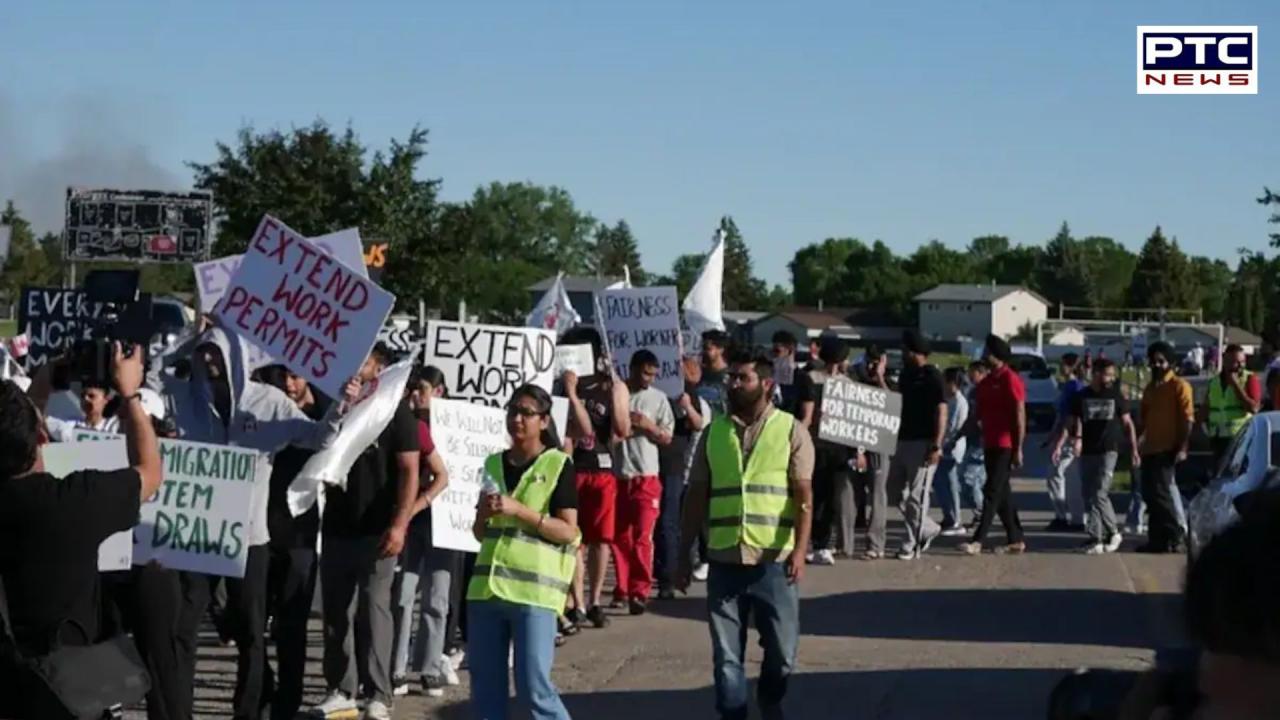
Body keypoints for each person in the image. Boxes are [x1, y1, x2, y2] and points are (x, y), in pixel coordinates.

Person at [151, 325, 354, 720]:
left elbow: (318, 438)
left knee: (252, 635)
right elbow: (153, 373)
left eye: (217, 354)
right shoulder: (188, 396)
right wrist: (196, 337)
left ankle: (246, 714)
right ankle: (179, 713)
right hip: (200, 538)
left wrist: (340, 405)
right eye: (204, 354)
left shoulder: (268, 403)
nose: (209, 361)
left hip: (250, 539)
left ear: (236, 360)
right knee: (182, 630)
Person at [0, 343, 163, 719]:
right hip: (64, 694)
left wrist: (42, 382)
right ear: (42, 437)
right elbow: (150, 471)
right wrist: (131, 395)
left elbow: (18, 429)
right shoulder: (74, 500)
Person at [677, 351, 814, 720]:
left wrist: (800, 551)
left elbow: (803, 496)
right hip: (724, 561)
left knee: (783, 655)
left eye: (743, 378)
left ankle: (770, 697)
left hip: (775, 563)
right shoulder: (714, 432)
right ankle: (733, 713)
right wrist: (683, 553)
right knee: (727, 658)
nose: (734, 384)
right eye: (732, 378)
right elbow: (696, 498)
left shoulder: (791, 430)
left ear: (767, 384)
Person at [312, 345, 420, 720]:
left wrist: (400, 524)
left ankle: (378, 693)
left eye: (365, 362)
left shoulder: (395, 412)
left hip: (378, 529)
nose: (356, 370)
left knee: (374, 611)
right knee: (336, 612)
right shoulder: (338, 403)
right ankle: (341, 688)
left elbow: (410, 470)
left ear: (381, 368)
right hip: (338, 525)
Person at [467, 384, 580, 720]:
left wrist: (521, 511)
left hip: (534, 595)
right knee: (486, 693)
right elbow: (478, 533)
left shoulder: (559, 465)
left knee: (534, 690)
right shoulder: (492, 462)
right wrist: (484, 515)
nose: (517, 419)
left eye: (526, 413)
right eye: (513, 411)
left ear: (544, 421)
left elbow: (568, 531)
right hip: (486, 592)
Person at [258, 366, 327, 720]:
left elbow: (333, 435)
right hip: (257, 530)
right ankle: (262, 687)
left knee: (291, 626)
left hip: (298, 536)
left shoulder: (320, 416)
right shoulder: (263, 410)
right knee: (248, 621)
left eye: (297, 376)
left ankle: (287, 700)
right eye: (283, 375)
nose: (289, 383)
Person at [561, 326, 630, 630]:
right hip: (572, 468)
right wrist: (570, 392)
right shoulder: (561, 384)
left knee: (601, 539)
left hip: (602, 470)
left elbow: (622, 429)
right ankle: (576, 601)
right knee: (574, 539)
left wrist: (616, 393)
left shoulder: (611, 385)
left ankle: (595, 601)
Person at [390, 365, 454, 698]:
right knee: (403, 594)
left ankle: (429, 668)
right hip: (412, 523)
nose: (416, 394)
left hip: (444, 522)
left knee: (436, 597)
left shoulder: (455, 424)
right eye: (413, 388)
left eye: (424, 388)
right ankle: (396, 668)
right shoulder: (408, 425)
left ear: (440, 392)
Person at [1051, 359, 1138, 555]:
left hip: (1109, 449)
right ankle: (1096, 538)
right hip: (1089, 450)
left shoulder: (1116, 395)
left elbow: (1128, 424)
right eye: (1107, 374)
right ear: (1096, 374)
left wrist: (1133, 450)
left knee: (1099, 493)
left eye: (1112, 374)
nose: (1110, 378)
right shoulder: (1081, 396)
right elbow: (1070, 422)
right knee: (1090, 494)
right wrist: (1060, 444)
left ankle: (1114, 531)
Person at [611, 350, 675, 615]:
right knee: (619, 538)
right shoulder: (618, 393)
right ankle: (622, 588)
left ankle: (640, 591)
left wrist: (649, 427)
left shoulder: (658, 399)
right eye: (645, 372)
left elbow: (668, 437)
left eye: (653, 374)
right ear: (633, 368)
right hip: (619, 475)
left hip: (646, 476)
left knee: (642, 537)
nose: (648, 378)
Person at [959, 335, 1027, 556]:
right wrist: (956, 436)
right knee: (1002, 493)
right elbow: (976, 415)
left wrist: (1018, 447)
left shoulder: (1010, 379)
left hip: (1005, 444)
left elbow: (1019, 415)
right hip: (988, 442)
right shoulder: (986, 383)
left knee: (991, 491)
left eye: (987, 351)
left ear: (996, 356)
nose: (983, 354)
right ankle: (1016, 539)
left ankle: (978, 540)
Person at [883, 331, 946, 560]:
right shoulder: (906, 376)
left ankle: (911, 544)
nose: (902, 353)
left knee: (917, 497)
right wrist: (881, 379)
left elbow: (941, 410)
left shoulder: (932, 377)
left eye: (905, 350)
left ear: (915, 352)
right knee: (893, 492)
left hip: (924, 443)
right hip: (902, 440)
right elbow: (896, 401)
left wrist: (937, 444)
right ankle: (927, 528)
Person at [654, 360, 709, 600]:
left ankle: (668, 576)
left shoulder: (685, 391)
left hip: (673, 465)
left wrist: (686, 406)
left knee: (669, 522)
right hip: (646, 462)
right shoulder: (648, 389)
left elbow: (697, 424)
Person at [1135, 342, 1194, 554]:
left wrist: (1183, 446)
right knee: (1149, 495)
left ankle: (1176, 534)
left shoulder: (1179, 386)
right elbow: (1143, 419)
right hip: (1150, 448)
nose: (1157, 365)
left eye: (1161, 361)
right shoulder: (1151, 389)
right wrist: (1135, 443)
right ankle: (1157, 540)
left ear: (1171, 363)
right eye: (1154, 361)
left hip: (1168, 448)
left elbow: (1188, 419)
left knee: (1162, 494)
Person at [803, 337, 852, 566]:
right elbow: (806, 415)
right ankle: (810, 541)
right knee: (813, 495)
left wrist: (857, 450)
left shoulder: (847, 383)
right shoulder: (812, 379)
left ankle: (823, 543)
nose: (835, 366)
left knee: (832, 498)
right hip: (816, 444)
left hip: (838, 446)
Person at [851, 346, 891, 559]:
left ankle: (875, 544)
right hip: (855, 440)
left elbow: (891, 405)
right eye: (869, 361)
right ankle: (845, 540)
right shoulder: (855, 377)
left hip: (878, 443)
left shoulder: (888, 381)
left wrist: (880, 377)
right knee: (852, 492)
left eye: (876, 362)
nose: (871, 366)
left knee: (877, 494)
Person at [1200, 343, 1261, 468]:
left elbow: (1254, 408)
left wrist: (1236, 385)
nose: (1240, 366)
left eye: (1242, 362)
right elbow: (1205, 409)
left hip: (1239, 437)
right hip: (1218, 437)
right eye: (1235, 362)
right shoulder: (1214, 382)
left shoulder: (1249, 378)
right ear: (1225, 360)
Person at [1043, 353, 1085, 532]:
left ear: (1070, 366)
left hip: (1069, 437)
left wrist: (1066, 440)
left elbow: (1072, 417)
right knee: (1058, 476)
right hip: (1063, 435)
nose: (1061, 368)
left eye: (1063, 365)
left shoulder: (1074, 387)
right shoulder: (1067, 386)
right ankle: (1067, 515)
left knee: (1058, 475)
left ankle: (1067, 516)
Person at [934, 367, 971, 535]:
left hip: (951, 448)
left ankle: (955, 520)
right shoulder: (947, 399)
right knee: (940, 484)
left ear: (952, 383)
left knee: (950, 484)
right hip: (942, 446)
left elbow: (955, 427)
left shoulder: (960, 402)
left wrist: (944, 443)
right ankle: (948, 516)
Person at [954, 362, 989, 531]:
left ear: (979, 372)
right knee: (975, 482)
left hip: (984, 443)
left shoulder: (989, 389)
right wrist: (960, 434)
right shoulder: (974, 391)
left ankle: (983, 514)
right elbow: (972, 416)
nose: (969, 376)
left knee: (968, 480)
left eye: (971, 372)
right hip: (974, 441)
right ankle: (981, 515)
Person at [42, 379, 119, 441]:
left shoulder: (115, 425)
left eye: (91, 396)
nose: (85, 399)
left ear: (105, 400)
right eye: (82, 396)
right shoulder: (71, 426)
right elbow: (44, 420)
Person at [698, 329, 733, 418]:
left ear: (720, 349)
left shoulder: (731, 376)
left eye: (708, 349)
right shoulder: (699, 374)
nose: (704, 352)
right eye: (703, 348)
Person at [770, 331, 800, 413]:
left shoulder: (802, 378)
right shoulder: (769, 375)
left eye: (777, 351)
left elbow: (807, 417)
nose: (773, 355)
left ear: (790, 351)